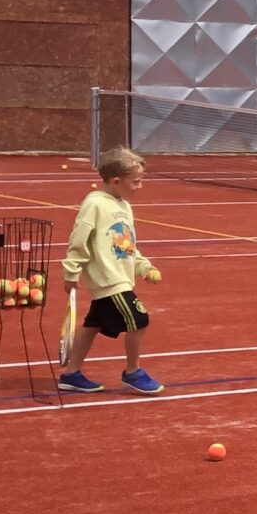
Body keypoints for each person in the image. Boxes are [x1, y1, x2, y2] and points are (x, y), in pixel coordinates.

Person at [58, 147, 164, 394]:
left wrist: (143, 266)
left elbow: (127, 244)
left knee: (93, 325)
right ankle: (132, 371)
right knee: (139, 320)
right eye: (136, 181)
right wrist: (71, 272)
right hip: (109, 280)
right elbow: (79, 239)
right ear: (116, 181)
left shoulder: (124, 205)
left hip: (121, 277)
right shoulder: (94, 204)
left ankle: (71, 374)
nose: (140, 186)